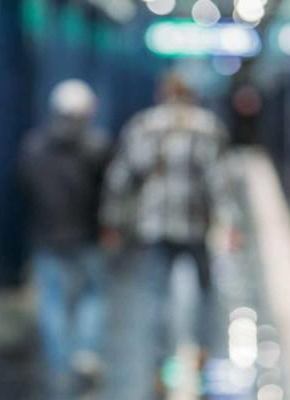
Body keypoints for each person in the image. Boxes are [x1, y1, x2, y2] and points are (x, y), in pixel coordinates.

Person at [100, 73, 238, 387]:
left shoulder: (143, 126)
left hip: (154, 226)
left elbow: (120, 178)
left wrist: (112, 221)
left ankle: (159, 363)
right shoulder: (207, 126)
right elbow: (219, 181)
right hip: (196, 224)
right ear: (192, 94)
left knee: (156, 295)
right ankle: (201, 350)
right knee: (205, 292)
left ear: (162, 93)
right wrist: (230, 224)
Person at [19, 79, 110, 398]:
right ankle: (84, 352)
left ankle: (59, 361)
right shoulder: (98, 147)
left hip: (46, 235)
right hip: (87, 235)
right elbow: (106, 193)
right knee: (91, 295)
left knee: (53, 301)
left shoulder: (33, 146)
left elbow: (25, 191)